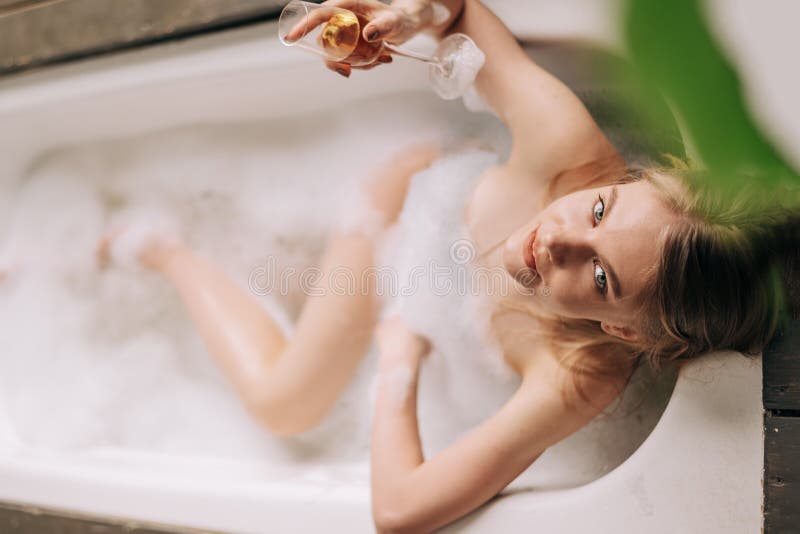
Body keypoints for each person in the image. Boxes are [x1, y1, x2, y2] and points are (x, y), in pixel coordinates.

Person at [99, 1, 799, 532]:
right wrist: (409, 16)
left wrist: (398, 360)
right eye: (601, 211)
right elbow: (461, 13)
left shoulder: (580, 374)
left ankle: (162, 247)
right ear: (633, 181)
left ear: (621, 333)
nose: (558, 242)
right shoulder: (569, 149)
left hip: (406, 296)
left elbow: (400, 511)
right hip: (402, 206)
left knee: (287, 406)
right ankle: (168, 242)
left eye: (601, 278)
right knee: (291, 390)